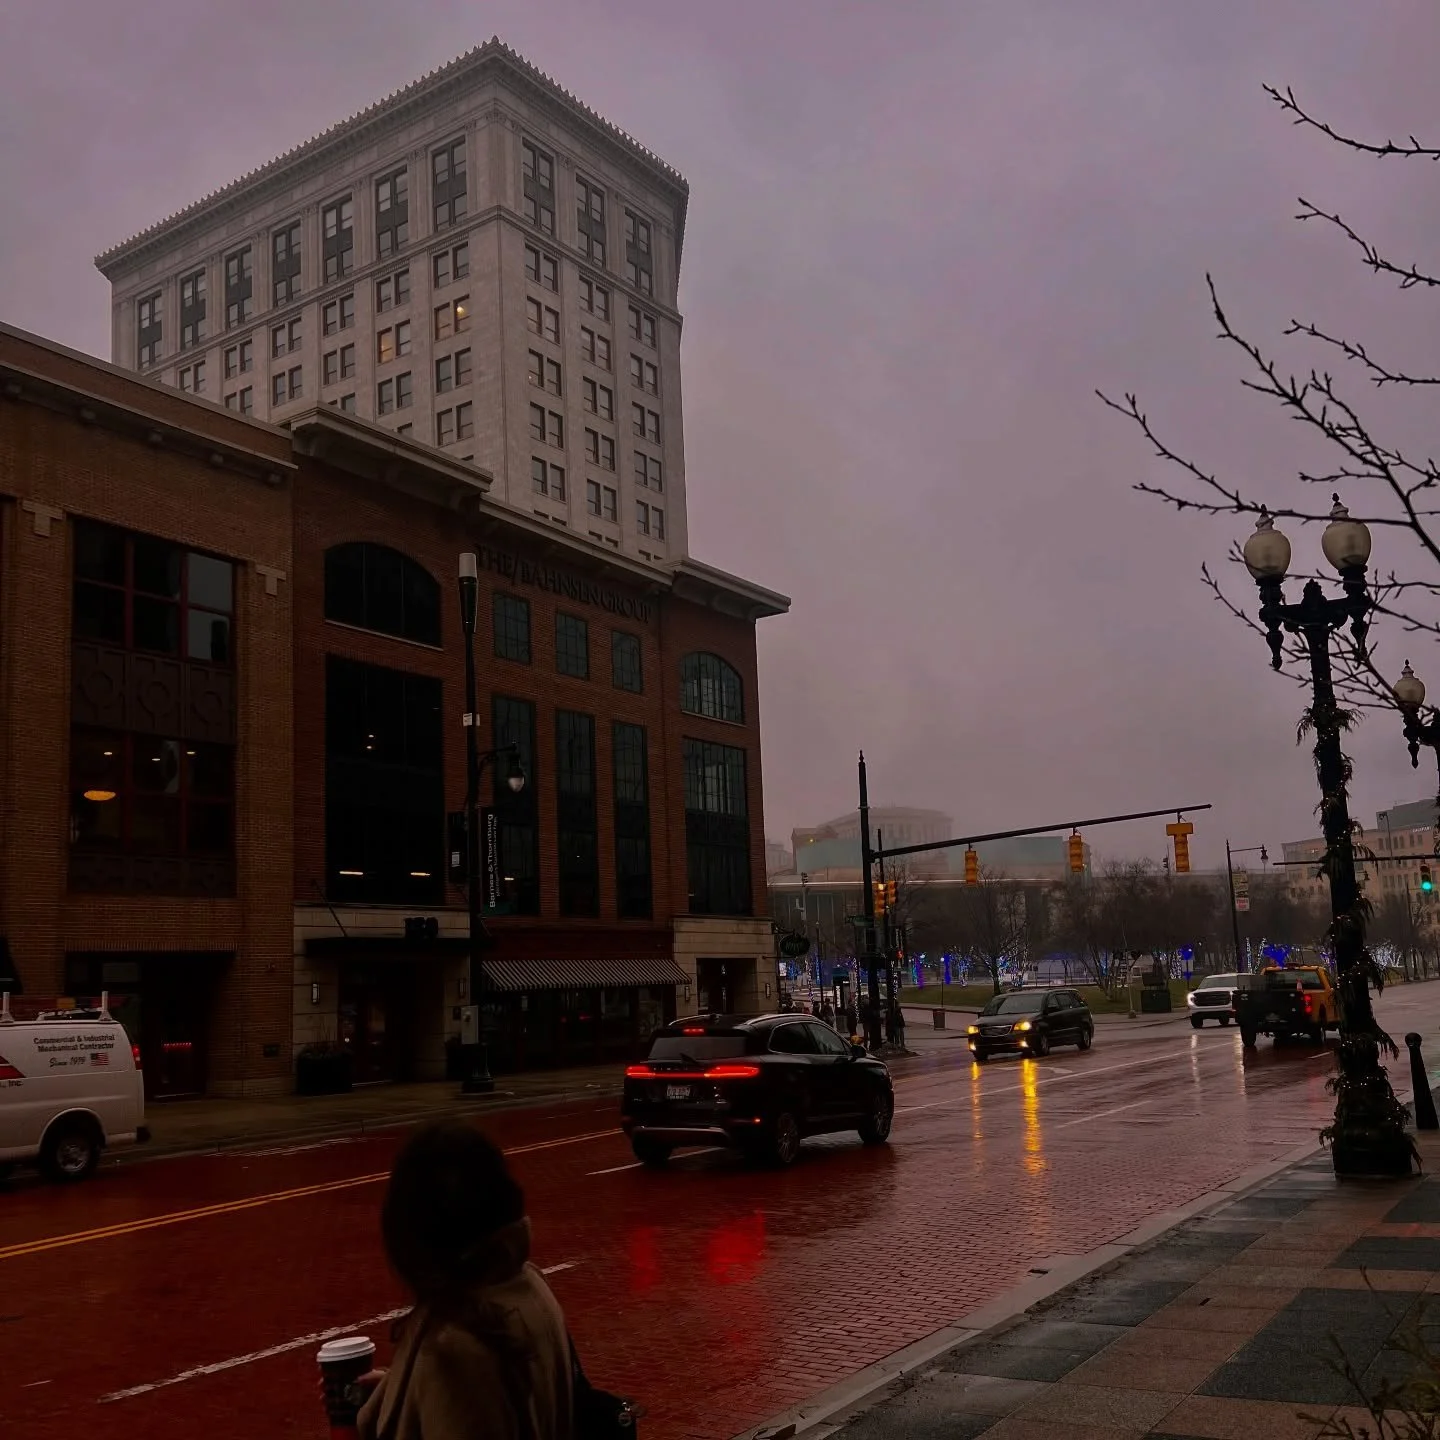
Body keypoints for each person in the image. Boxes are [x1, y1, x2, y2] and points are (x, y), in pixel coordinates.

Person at [354, 1120, 574, 1440]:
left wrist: (430, 1382)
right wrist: (400, 1387)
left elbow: (468, 1396)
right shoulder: (526, 1286)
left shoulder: (454, 1352)